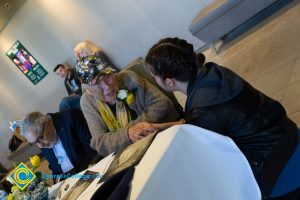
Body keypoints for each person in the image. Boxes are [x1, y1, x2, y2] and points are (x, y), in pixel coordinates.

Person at [145, 37, 300, 198]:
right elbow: (209, 120)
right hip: (287, 133)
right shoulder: (213, 72)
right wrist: (163, 127)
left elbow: (209, 162)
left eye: (154, 76)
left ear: (169, 82)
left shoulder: (202, 108)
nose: (154, 80)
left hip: (277, 166)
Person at [76, 55, 180, 157]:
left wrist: (133, 130)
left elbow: (161, 104)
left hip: (163, 136)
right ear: (87, 89)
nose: (107, 86)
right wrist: (127, 134)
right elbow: (99, 142)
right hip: (131, 154)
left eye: (107, 76)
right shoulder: (87, 102)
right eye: (96, 83)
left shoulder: (129, 78)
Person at [19, 110, 98, 181]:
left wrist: (74, 177)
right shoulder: (41, 139)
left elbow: (92, 150)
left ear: (48, 124)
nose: (40, 146)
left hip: (91, 172)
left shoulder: (71, 118)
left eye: (40, 138)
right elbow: (55, 170)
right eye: (35, 143)